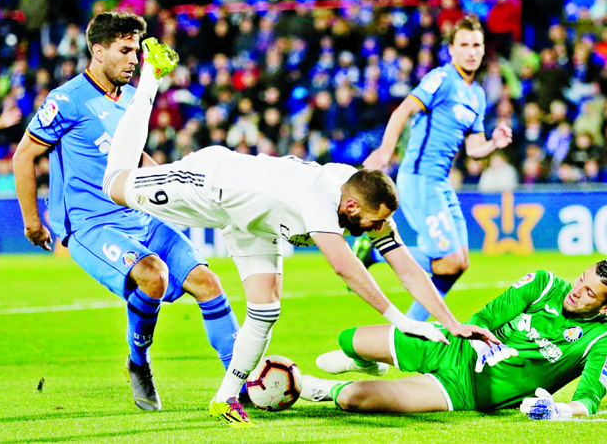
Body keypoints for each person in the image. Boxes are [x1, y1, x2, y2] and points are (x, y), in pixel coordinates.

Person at [101, 39, 500, 428]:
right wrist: (399, 319)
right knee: (114, 186)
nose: (379, 231)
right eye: (375, 224)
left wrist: (450, 323)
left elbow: (407, 267)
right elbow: (345, 269)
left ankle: (224, 400)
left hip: (257, 224)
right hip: (214, 184)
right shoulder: (321, 196)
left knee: (266, 308)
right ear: (351, 209)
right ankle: (152, 73)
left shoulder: (366, 199)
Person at [12, 12, 242, 412]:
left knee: (208, 283)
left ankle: (243, 383)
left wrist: (179, 184)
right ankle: (138, 362)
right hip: (92, 226)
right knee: (152, 275)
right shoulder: (66, 100)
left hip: (140, 217)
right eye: (125, 50)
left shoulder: (133, 98)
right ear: (98, 52)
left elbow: (134, 155)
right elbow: (23, 156)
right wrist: (33, 221)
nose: (135, 59)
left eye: (136, 49)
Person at [301, 260, 607, 421]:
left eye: (589, 291)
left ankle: (321, 389)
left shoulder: (604, 338)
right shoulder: (544, 283)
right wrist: (476, 338)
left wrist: (559, 410)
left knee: (352, 398)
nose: (576, 291)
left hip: (464, 390)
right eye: (580, 279)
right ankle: (365, 362)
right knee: (349, 340)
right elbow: (486, 317)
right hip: (453, 344)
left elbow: (588, 401)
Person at [359, 15, 513, 321]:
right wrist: (386, 150)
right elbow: (404, 108)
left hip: (441, 183)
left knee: (460, 263)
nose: (471, 51)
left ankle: (406, 331)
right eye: (464, 45)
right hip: (419, 177)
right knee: (447, 259)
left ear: (483, 50)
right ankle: (374, 251)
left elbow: (473, 149)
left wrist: (493, 142)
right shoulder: (442, 79)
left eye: (477, 45)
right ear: (452, 50)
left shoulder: (477, 95)